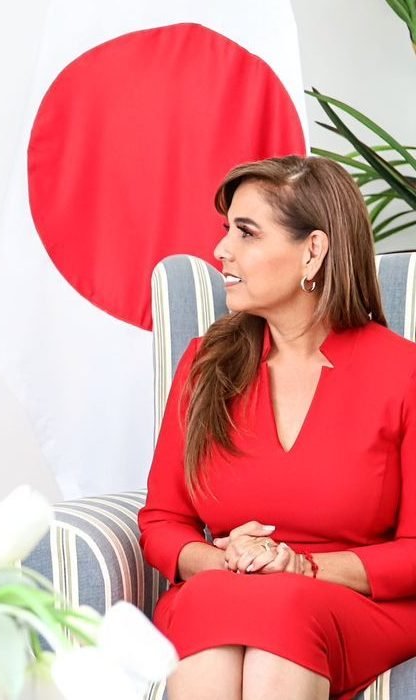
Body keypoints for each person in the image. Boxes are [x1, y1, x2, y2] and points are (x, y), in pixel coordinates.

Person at [139, 154, 416, 700]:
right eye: (227, 230)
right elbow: (163, 520)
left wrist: (302, 568)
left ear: (313, 250)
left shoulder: (404, 374)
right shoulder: (204, 364)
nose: (222, 250)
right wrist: (226, 560)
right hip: (225, 588)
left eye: (246, 233)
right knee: (208, 600)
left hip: (355, 604)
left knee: (280, 612)